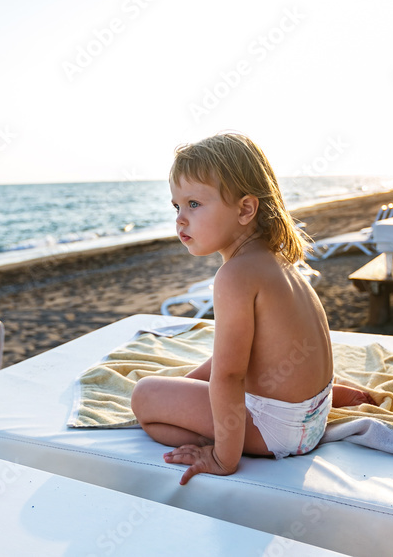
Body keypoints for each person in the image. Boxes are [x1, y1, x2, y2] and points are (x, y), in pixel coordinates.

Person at [131, 133, 372, 485]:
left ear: (245, 209)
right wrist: (186, 385)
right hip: (312, 419)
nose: (181, 219)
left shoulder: (234, 276)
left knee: (145, 399)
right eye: (176, 206)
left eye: (194, 204)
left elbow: (229, 376)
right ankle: (329, 397)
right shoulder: (278, 263)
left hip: (276, 430)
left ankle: (225, 444)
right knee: (188, 384)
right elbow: (246, 357)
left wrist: (222, 458)